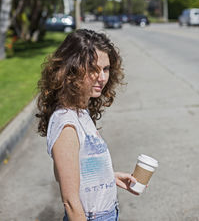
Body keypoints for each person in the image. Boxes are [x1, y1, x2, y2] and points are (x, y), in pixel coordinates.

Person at [36, 29, 138, 221]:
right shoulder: (67, 123)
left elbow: (75, 169)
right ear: (71, 69)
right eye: (93, 69)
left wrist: (110, 177)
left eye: (106, 69)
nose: (102, 77)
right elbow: (71, 202)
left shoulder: (80, 111)